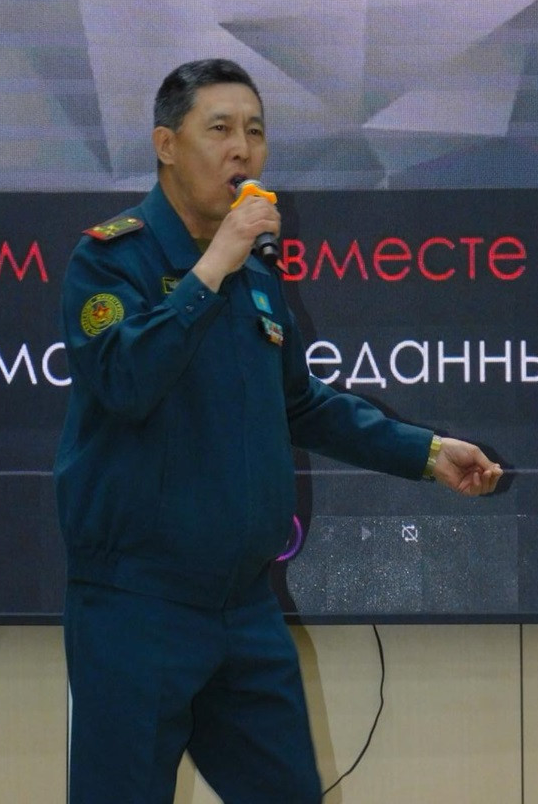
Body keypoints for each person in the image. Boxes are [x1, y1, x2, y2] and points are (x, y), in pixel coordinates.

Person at [54, 58, 502, 804]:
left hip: (243, 609)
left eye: (256, 132)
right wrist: (212, 268)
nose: (243, 149)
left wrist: (425, 453)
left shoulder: (257, 276)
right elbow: (125, 382)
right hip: (137, 608)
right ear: (166, 145)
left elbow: (300, 404)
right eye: (220, 129)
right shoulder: (111, 259)